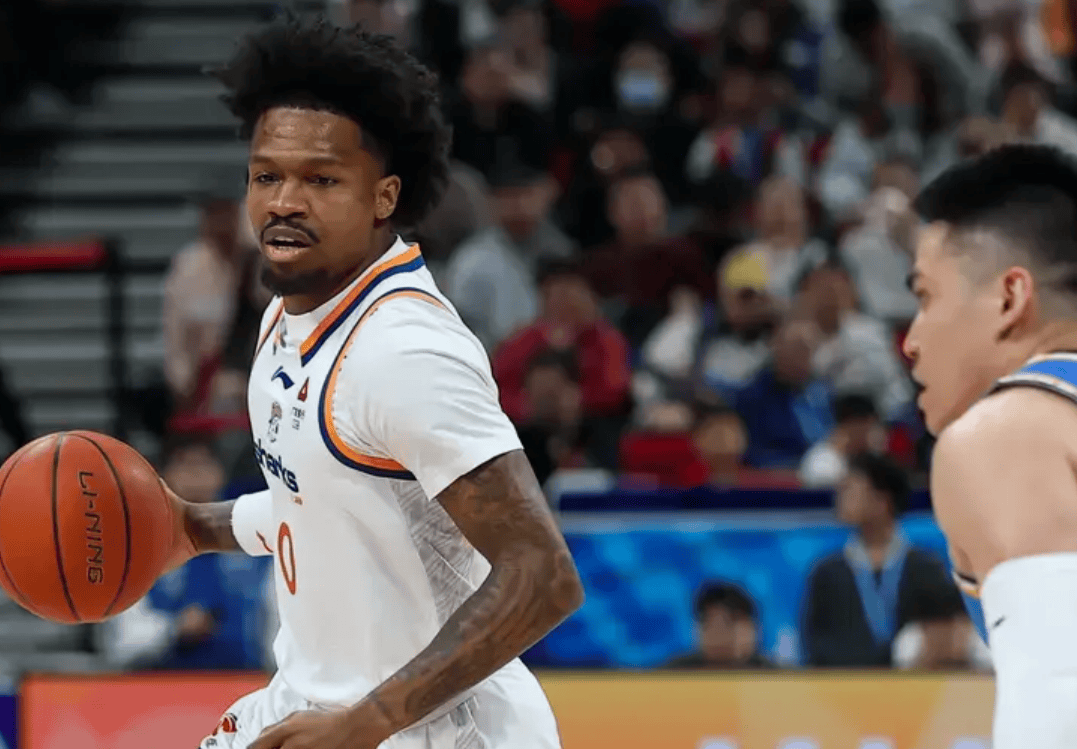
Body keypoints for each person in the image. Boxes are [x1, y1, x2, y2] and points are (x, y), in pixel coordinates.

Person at [161, 16, 584, 749]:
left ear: (384, 196)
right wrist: (194, 527)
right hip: (319, 703)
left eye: (321, 179)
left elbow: (542, 574)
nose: (283, 201)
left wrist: (370, 721)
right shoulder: (288, 313)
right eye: (267, 175)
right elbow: (321, 504)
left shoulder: (403, 351)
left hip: (431, 728)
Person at [904, 143, 1077, 747]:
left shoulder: (1006, 432)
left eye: (925, 297)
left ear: (1009, 298)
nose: (910, 341)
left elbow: (1061, 700)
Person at [802, 453, 950, 667]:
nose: (840, 498)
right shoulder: (827, 572)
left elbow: (947, 634)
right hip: (843, 683)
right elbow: (815, 643)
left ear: (882, 500)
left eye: (850, 490)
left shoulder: (925, 569)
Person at [666, 581, 772, 669]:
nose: (720, 633)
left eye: (730, 622)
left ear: (753, 629)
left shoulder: (775, 677)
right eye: (710, 623)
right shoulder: (672, 676)